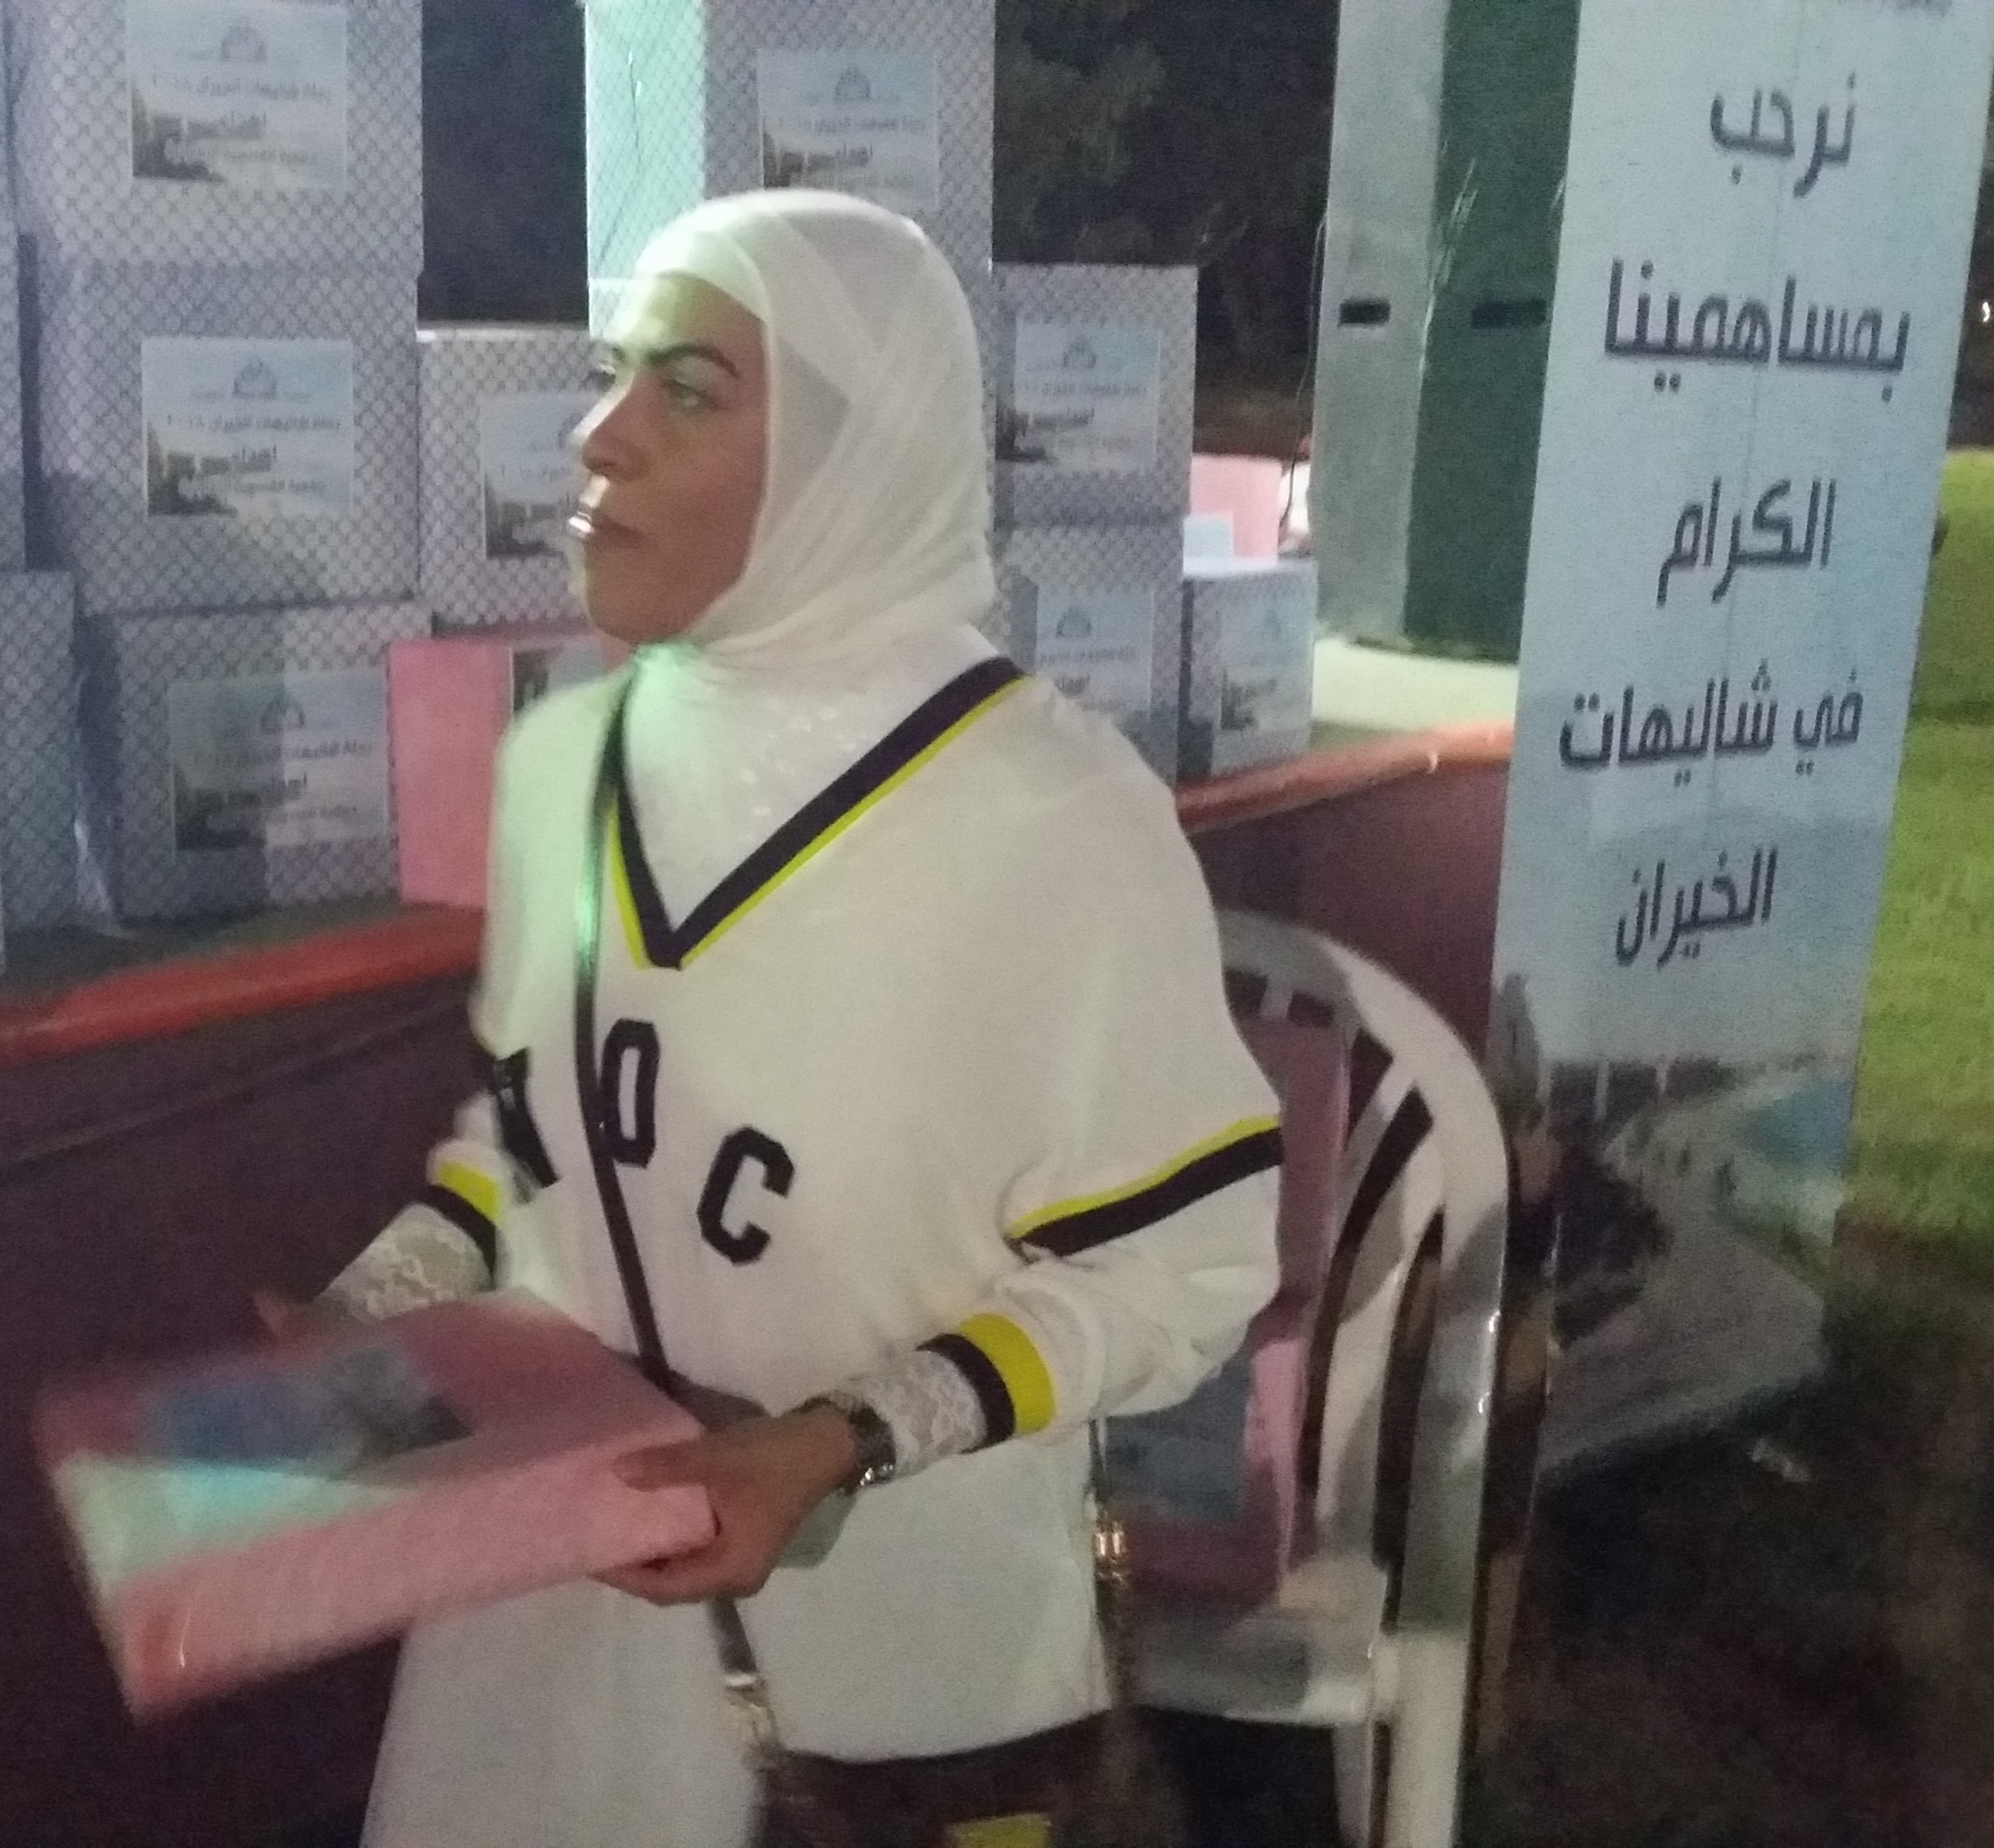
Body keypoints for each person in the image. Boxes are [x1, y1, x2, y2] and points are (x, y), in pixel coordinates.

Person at [292, 191, 1284, 1848]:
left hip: (894, 1653)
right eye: (614, 374)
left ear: (853, 457)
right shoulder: (570, 760)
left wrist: (835, 1444)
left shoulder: (1046, 815)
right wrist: (380, 1308)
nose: (600, 437)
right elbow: (531, 1144)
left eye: (689, 391)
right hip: (544, 1612)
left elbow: (1178, 1263)